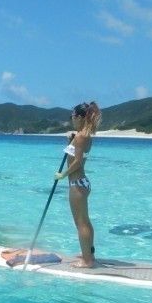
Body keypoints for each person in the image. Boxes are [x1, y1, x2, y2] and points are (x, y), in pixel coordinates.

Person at [54, 102, 101, 268]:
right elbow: (76, 153)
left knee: (80, 223)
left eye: (73, 117)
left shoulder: (81, 137)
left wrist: (63, 175)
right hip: (83, 183)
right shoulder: (84, 135)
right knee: (85, 221)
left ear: (80, 117)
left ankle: (87, 261)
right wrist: (71, 142)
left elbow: (78, 162)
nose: (72, 120)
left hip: (77, 183)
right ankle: (89, 254)